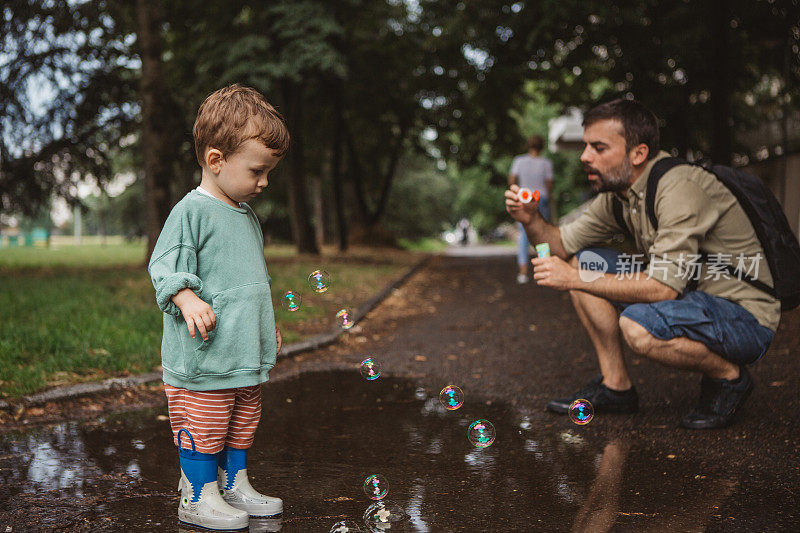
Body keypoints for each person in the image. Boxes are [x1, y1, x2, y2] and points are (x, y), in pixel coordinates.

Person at [505, 99, 779, 429]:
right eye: (586, 146)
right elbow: (559, 246)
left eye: (598, 147)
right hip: (693, 297)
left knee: (637, 325)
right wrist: (530, 219)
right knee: (584, 260)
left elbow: (661, 288)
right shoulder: (619, 195)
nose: (584, 156)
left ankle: (729, 377)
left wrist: (576, 278)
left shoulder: (678, 188)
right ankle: (615, 387)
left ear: (638, 153)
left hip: (744, 315)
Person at [148, 84, 289, 530]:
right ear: (216, 160)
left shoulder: (246, 216)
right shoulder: (191, 212)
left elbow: (252, 283)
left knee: (243, 418)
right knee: (206, 422)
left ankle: (234, 484)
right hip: (205, 356)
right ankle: (196, 494)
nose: (264, 181)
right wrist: (186, 297)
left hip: (241, 354)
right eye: (257, 171)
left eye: (268, 172)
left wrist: (269, 326)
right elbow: (163, 265)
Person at [508, 135, 554, 283]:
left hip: (525, 199)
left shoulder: (519, 161)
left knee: (524, 235)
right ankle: (545, 269)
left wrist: (516, 192)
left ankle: (523, 272)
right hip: (541, 198)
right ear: (542, 146)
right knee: (542, 234)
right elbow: (548, 183)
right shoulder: (546, 163)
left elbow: (512, 179)